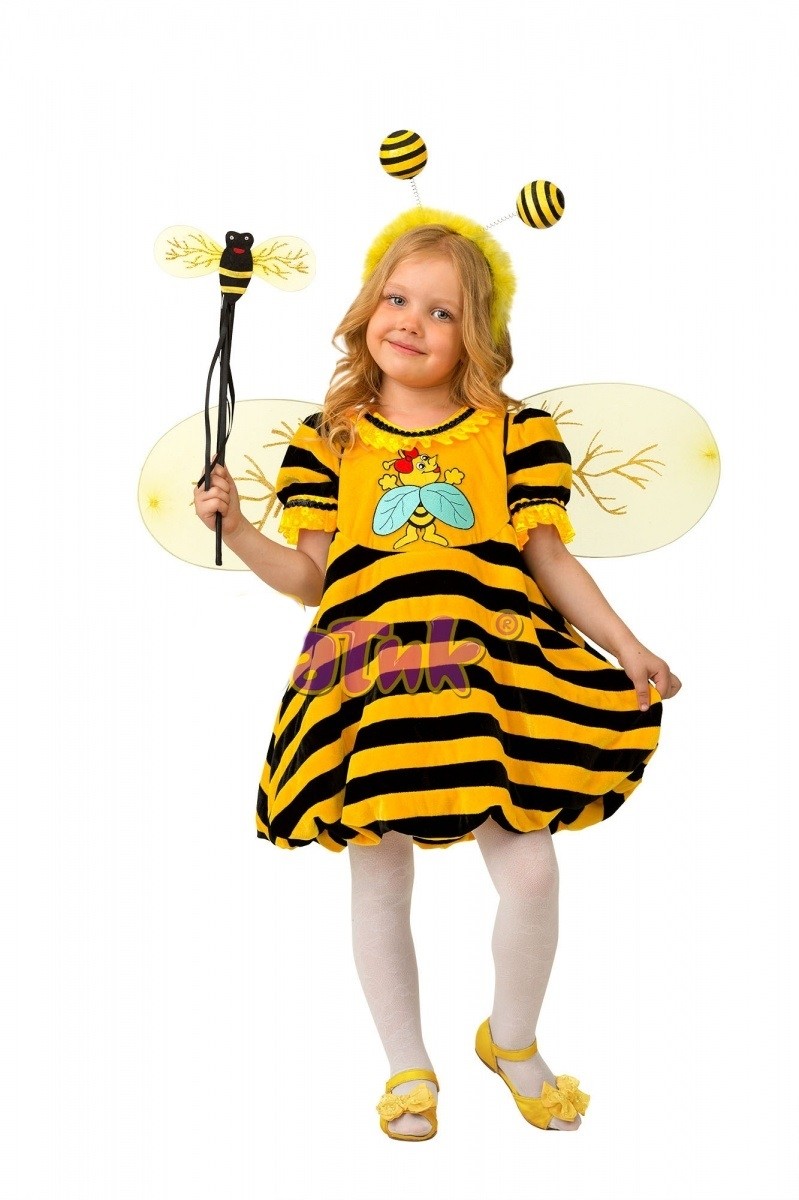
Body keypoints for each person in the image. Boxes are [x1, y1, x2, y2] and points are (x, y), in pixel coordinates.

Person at [193, 210, 681, 1141]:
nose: (411, 322)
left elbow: (548, 557)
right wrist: (240, 529)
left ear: (477, 335)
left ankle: (511, 1039)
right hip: (369, 677)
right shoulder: (328, 438)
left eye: (442, 311)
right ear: (366, 307)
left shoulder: (514, 430)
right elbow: (311, 577)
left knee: (529, 873)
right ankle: (407, 1067)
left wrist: (626, 645)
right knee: (380, 873)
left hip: (494, 671)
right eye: (397, 298)